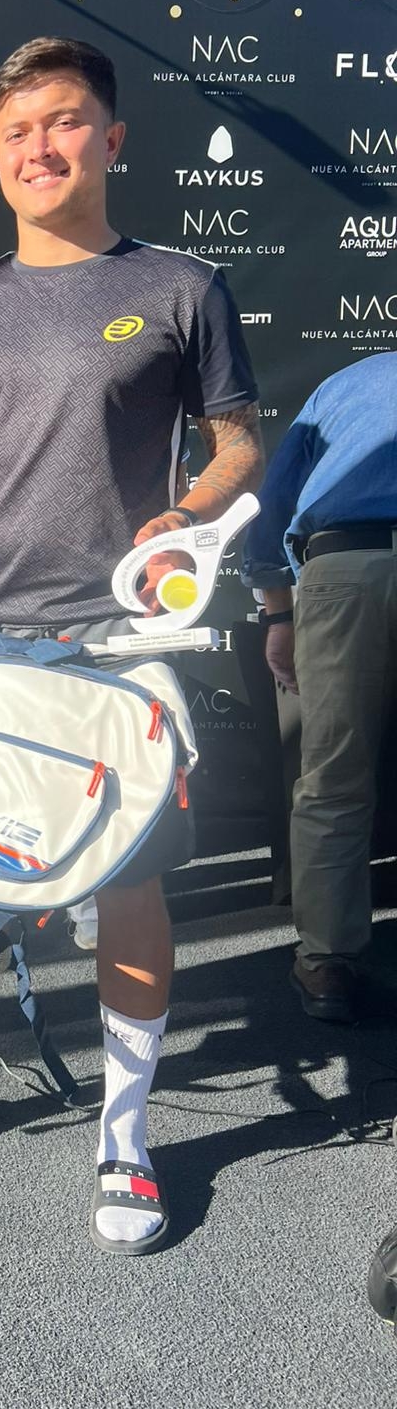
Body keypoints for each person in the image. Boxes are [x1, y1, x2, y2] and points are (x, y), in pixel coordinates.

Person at [0, 37, 263, 1256]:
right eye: (18, 132)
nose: (42, 147)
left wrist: (189, 515)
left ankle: (124, 1132)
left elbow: (241, 447)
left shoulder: (184, 288)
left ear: (113, 138)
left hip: (121, 642)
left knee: (129, 882)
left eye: (66, 121)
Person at [240, 351, 397, 1024]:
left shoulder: (344, 384)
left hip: (343, 564)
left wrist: (278, 615)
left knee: (333, 776)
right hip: (341, 559)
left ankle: (329, 962)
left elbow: (272, 503)